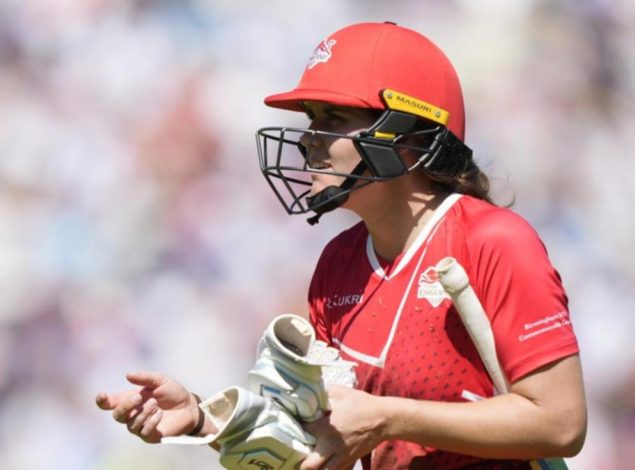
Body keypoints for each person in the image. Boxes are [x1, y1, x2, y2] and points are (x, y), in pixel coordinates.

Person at [96, 21, 587, 470]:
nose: (310, 139)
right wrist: (205, 419)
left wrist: (388, 418)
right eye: (312, 119)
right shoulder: (338, 264)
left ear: (405, 133)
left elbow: (561, 423)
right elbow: (320, 440)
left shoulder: (494, 242)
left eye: (332, 118)